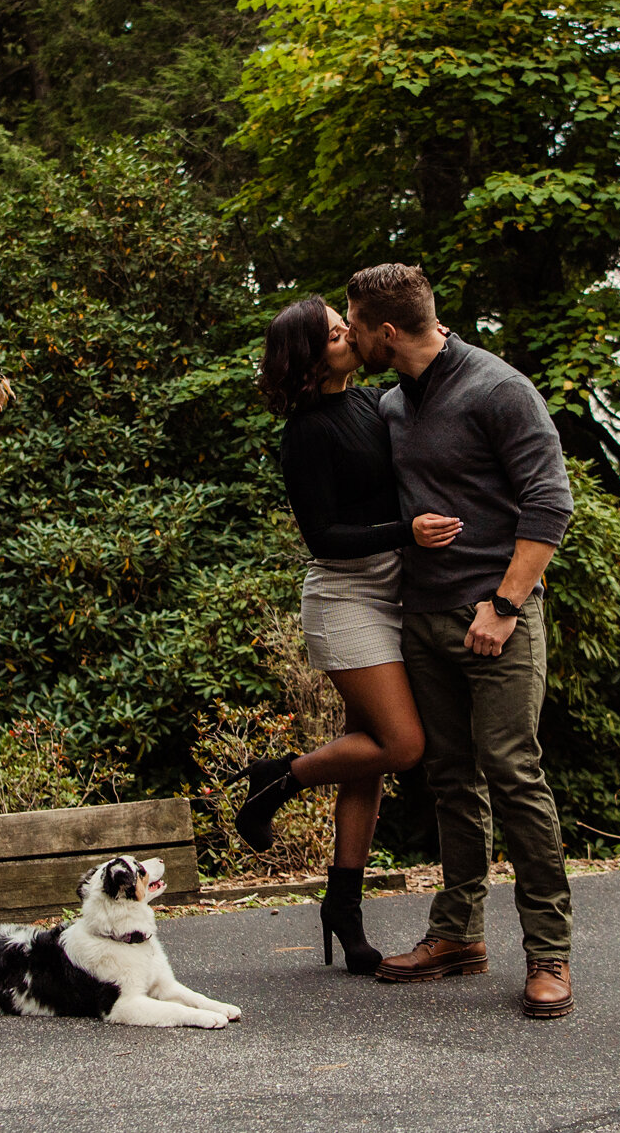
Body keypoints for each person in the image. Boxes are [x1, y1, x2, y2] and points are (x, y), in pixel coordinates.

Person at [342, 262, 579, 1021]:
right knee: (449, 777)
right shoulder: (390, 405)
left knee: (512, 774)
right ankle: (458, 935)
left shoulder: (498, 388)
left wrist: (506, 603)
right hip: (423, 618)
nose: (348, 336)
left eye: (353, 325)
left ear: (387, 331)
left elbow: (550, 501)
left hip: (497, 618)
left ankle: (548, 953)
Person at [241, 295, 460, 974]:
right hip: (346, 597)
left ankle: (344, 905)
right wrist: (406, 531)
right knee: (401, 744)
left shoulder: (376, 401)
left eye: (348, 326)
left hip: (395, 590)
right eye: (336, 333)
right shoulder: (304, 433)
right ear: (312, 356)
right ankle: (277, 778)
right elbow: (324, 535)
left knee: (368, 758)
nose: (350, 335)